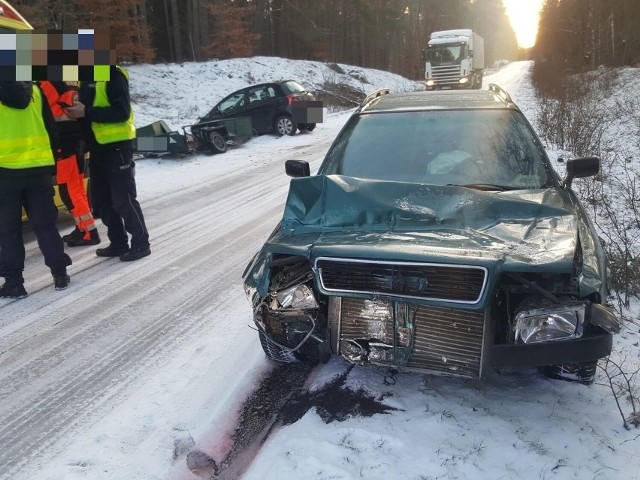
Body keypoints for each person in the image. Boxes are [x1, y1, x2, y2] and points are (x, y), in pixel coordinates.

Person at [65, 65, 151, 262]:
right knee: (102, 201)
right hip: (97, 149)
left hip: (117, 147)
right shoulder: (86, 77)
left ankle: (141, 243)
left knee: (124, 200)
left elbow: (121, 111)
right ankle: (118, 243)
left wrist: (86, 111)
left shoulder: (113, 73)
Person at [0, 81, 72, 298]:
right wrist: (50, 166)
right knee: (45, 225)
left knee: (8, 231)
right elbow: (51, 129)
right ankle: (60, 273)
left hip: (5, 173)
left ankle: (14, 283)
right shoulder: (36, 90)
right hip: (38, 170)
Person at [39, 80, 101, 247]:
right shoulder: (63, 82)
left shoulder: (45, 85)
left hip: (65, 143)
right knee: (75, 190)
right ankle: (82, 228)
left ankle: (89, 233)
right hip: (74, 142)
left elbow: (44, 116)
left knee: (71, 191)